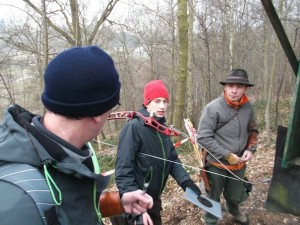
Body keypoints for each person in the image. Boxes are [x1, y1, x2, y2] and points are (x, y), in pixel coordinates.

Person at [0, 46, 153, 225]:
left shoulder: (68, 153)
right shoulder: (18, 205)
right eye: (113, 106)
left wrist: (115, 202)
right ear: (97, 113)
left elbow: (63, 209)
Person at [112, 80, 202, 225]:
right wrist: (136, 211)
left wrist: (187, 183)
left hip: (153, 201)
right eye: (157, 101)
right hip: (135, 202)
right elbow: (123, 170)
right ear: (147, 103)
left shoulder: (162, 129)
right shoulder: (134, 127)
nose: (162, 106)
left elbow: (172, 160)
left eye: (165, 101)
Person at [196, 69, 259, 225]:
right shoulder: (212, 108)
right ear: (225, 87)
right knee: (213, 196)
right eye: (231, 86)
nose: (234, 90)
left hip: (239, 163)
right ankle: (210, 221)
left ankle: (234, 211)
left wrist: (250, 149)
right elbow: (203, 137)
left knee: (235, 195)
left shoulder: (248, 107)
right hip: (216, 163)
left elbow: (253, 130)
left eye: (239, 86)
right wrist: (226, 154)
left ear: (246, 89)